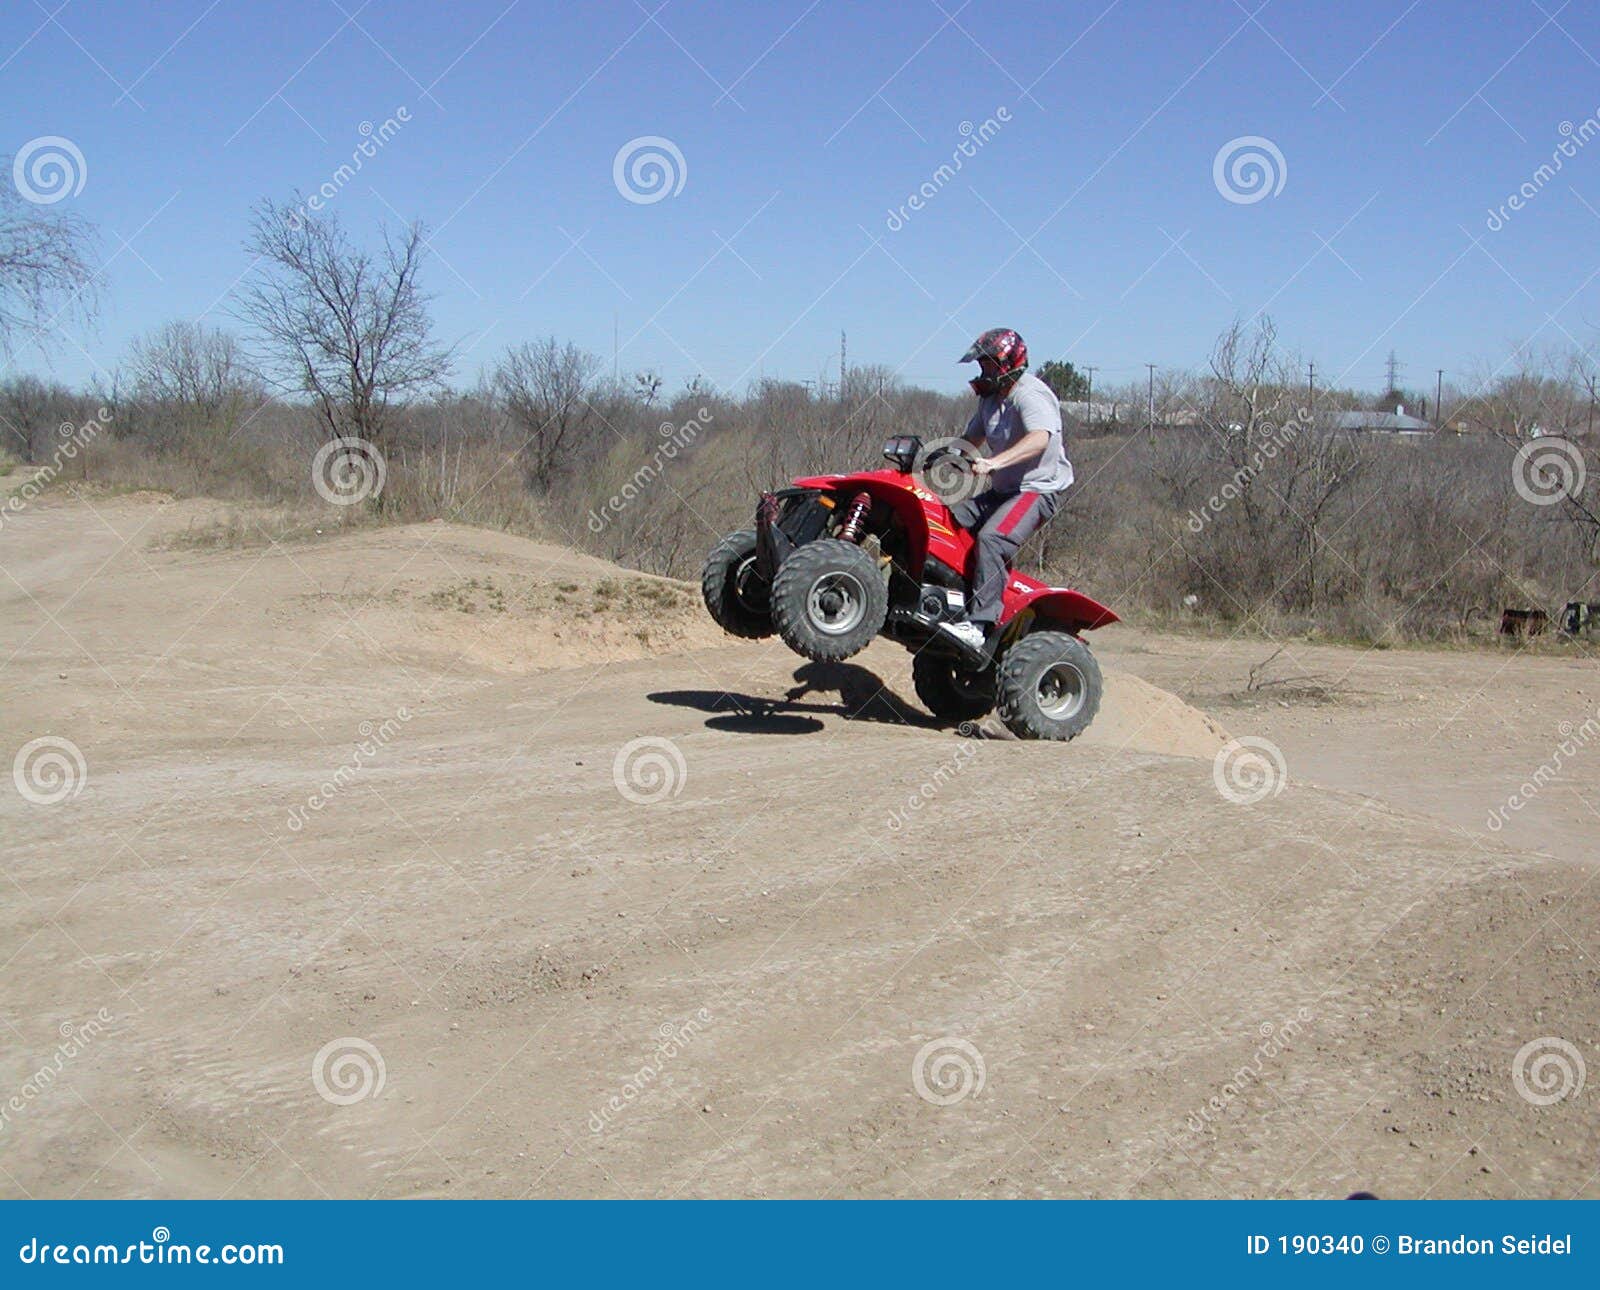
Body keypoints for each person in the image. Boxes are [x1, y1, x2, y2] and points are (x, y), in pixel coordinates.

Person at [937, 326, 1073, 653]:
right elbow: (970, 440)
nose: (982, 371)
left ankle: (980, 625)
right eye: (980, 365)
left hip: (1035, 490)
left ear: (1008, 364)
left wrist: (994, 463)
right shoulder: (989, 399)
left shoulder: (1030, 394)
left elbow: (1041, 437)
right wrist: (938, 457)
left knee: (994, 538)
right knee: (944, 519)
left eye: (988, 365)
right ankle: (950, 600)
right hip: (1002, 490)